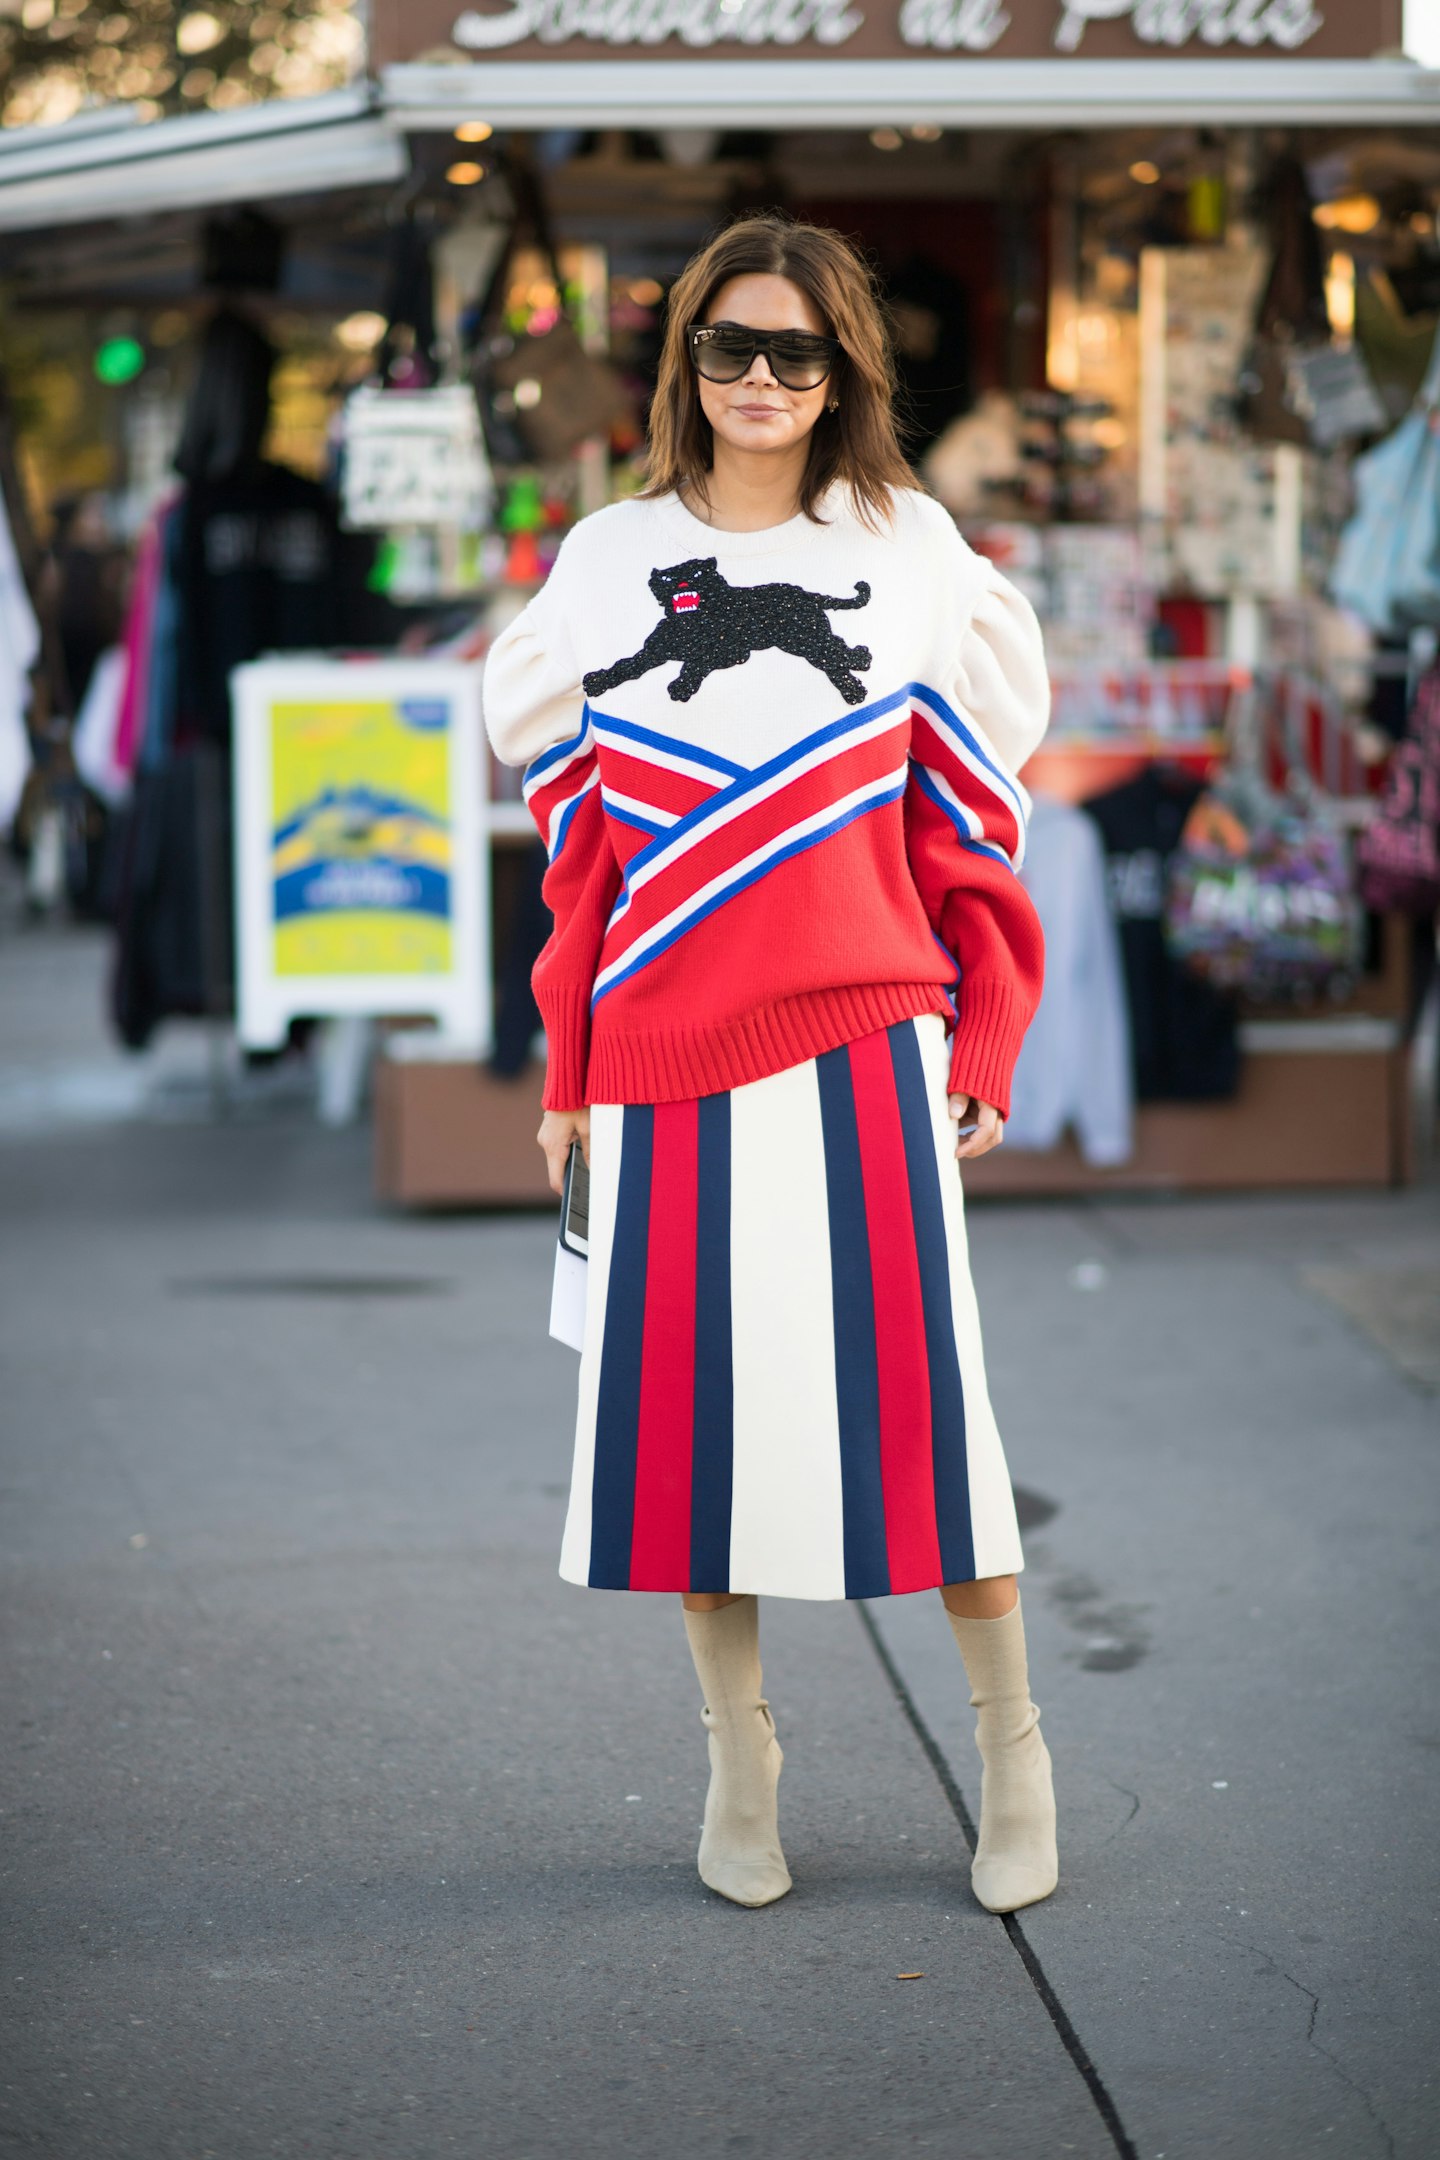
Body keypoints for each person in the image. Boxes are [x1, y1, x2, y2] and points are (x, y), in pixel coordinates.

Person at [483, 213, 1056, 1916]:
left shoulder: (913, 551)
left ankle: (1013, 1753)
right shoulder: (607, 560)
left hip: (869, 1047)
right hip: (656, 1056)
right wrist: (566, 1066)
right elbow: (584, 863)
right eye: (729, 347)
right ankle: (741, 1759)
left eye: (794, 353)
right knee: (694, 1445)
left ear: (842, 372)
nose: (758, 378)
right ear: (687, 365)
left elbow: (965, 837)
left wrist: (991, 1034)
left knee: (925, 1422)